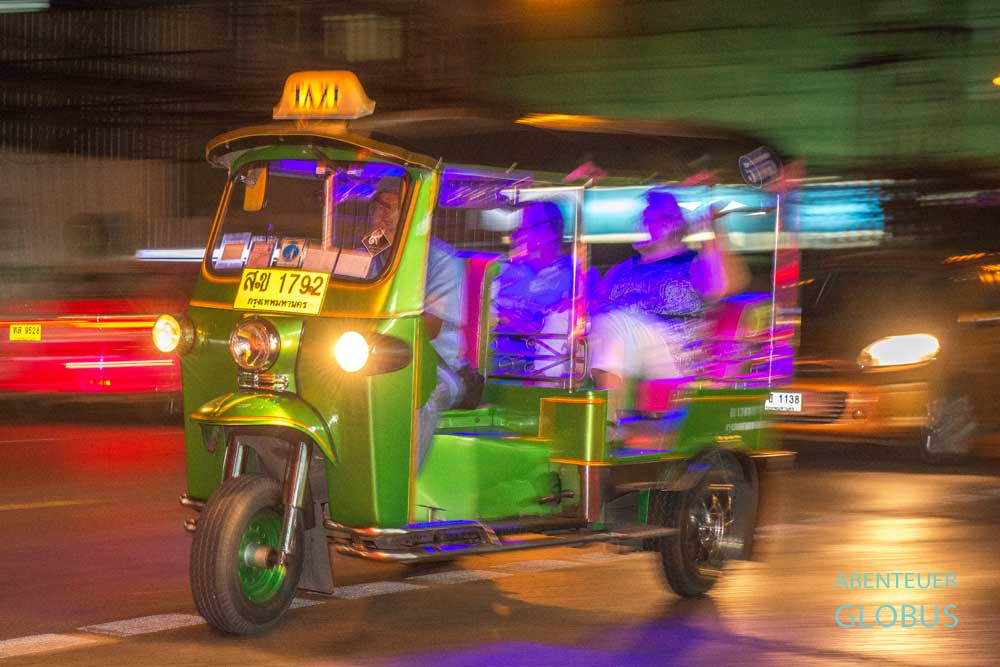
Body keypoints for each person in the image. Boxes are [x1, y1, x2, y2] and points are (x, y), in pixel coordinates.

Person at [590, 188, 747, 421]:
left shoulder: (691, 263)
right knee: (599, 324)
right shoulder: (619, 271)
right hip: (623, 343)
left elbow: (721, 286)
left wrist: (712, 234)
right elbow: (595, 311)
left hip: (677, 347)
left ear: (671, 225)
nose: (639, 227)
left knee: (614, 321)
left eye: (647, 220)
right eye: (640, 220)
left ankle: (609, 422)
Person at [361, 185, 468, 464]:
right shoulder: (370, 251)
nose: (379, 214)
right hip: (372, 357)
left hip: (435, 365)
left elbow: (428, 327)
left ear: (414, 212)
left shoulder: (441, 260)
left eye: (389, 206)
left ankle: (402, 484)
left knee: (422, 396)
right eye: (377, 206)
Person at [491, 201, 578, 379]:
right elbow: (486, 308)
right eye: (521, 227)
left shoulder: (573, 273)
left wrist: (530, 324)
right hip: (497, 352)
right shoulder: (506, 270)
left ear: (553, 231)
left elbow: (574, 317)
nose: (522, 233)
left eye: (530, 226)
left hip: (544, 356)